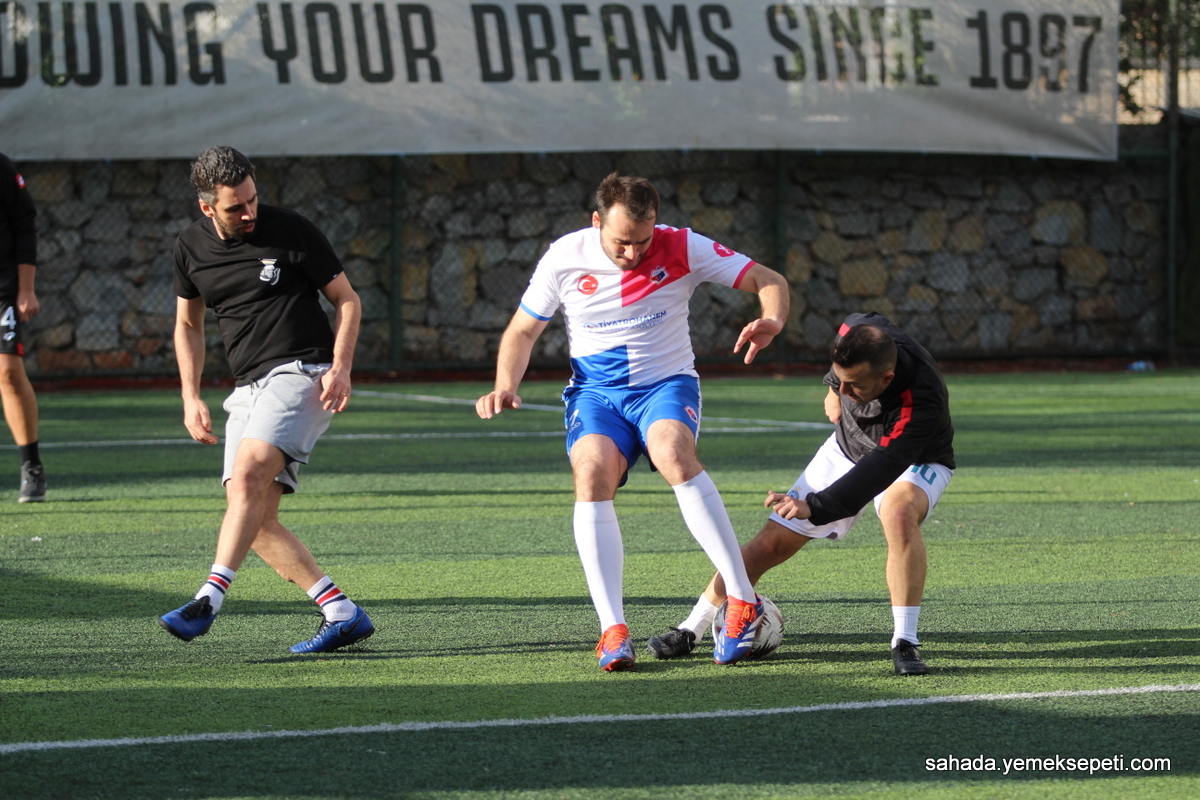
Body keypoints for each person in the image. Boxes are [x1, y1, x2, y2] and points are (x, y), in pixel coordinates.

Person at [476, 173, 789, 670]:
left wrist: (772, 318)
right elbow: (523, 330)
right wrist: (505, 384)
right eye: (621, 241)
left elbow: (769, 280)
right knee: (591, 472)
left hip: (665, 385)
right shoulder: (564, 256)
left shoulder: (682, 245)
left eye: (642, 241)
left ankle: (742, 601)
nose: (632, 252)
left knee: (673, 454)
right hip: (597, 394)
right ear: (596, 221)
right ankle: (612, 630)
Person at [648, 312, 955, 675]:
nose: (846, 392)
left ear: (887, 378)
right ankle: (691, 629)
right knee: (769, 543)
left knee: (898, 513)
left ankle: (905, 641)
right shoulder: (860, 333)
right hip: (846, 447)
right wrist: (832, 387)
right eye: (840, 380)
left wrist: (816, 506)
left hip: (914, 461)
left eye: (854, 385)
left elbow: (882, 467)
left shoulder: (921, 399)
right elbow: (849, 324)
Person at [158, 145, 374, 654]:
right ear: (207, 207)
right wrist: (190, 395)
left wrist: (341, 366)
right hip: (247, 388)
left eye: (253, 199)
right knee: (252, 517)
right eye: (236, 207)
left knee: (250, 472)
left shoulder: (292, 230)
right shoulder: (190, 247)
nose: (249, 212)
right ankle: (341, 613)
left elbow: (347, 299)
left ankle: (207, 600)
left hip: (303, 371)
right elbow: (188, 325)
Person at [0, 153, 47, 503]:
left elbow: (24, 224)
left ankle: (31, 466)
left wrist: (26, 289)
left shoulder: (1, 167)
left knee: (8, 371)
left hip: (3, 287)